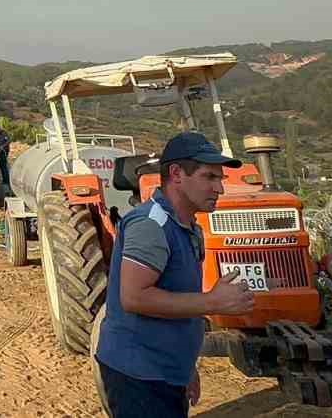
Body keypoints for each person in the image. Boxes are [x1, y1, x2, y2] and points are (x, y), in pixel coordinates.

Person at [95, 132, 252, 417]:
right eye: (209, 177)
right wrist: (213, 302)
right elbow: (134, 297)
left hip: (166, 371)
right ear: (176, 174)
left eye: (221, 179)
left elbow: (178, 298)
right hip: (139, 375)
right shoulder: (151, 225)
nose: (220, 188)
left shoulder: (190, 227)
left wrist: (185, 366)